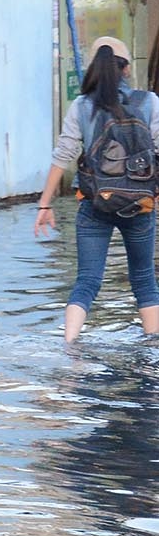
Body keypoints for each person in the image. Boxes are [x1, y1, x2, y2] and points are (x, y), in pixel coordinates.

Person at [34, 35, 159, 341]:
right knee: (144, 280)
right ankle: (154, 350)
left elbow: (63, 154)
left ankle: (69, 346)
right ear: (127, 69)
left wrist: (44, 205)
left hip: (94, 205)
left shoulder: (81, 106)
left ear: (93, 69)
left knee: (87, 281)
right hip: (140, 204)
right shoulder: (150, 102)